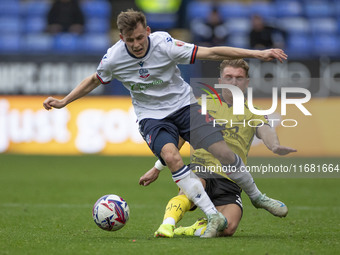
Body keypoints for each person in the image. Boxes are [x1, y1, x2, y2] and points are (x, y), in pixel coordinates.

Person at [43, 9, 287, 238]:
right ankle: (213, 217)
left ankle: (257, 197)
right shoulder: (114, 57)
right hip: (151, 117)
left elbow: (211, 52)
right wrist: (65, 101)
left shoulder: (165, 45)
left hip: (184, 106)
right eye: (130, 40)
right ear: (121, 38)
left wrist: (257, 53)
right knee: (172, 157)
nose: (137, 44)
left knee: (223, 151)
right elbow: (94, 80)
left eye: (140, 37)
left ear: (147, 31)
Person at [140, 59, 296, 237]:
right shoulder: (200, 105)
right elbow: (180, 139)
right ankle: (167, 225)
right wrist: (157, 167)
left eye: (239, 78)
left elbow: (265, 129)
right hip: (201, 167)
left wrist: (275, 146)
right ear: (220, 81)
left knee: (228, 228)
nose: (233, 82)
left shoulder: (254, 112)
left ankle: (194, 228)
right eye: (228, 77)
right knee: (191, 189)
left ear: (247, 83)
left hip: (231, 179)